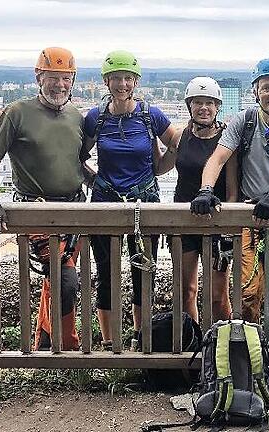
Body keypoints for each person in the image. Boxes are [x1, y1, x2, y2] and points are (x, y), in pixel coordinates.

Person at [190, 58, 269, 351]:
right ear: (256, 90)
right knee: (247, 290)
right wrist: (206, 189)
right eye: (266, 87)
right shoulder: (243, 122)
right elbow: (218, 157)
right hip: (251, 214)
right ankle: (250, 348)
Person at [0, 46, 87, 350]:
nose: (60, 85)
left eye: (66, 78)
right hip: (35, 210)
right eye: (53, 78)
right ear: (39, 76)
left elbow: (74, 160)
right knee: (65, 281)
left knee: (57, 279)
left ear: (73, 80)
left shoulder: (76, 117)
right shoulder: (17, 113)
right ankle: (65, 347)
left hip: (73, 210)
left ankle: (45, 341)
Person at [83, 50, 177, 350]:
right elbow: (79, 156)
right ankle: (111, 342)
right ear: (106, 82)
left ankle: (140, 336)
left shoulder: (150, 115)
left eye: (127, 78)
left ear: (135, 82)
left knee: (143, 273)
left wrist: (157, 170)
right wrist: (94, 181)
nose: (122, 84)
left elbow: (177, 145)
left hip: (143, 201)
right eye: (116, 79)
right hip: (106, 202)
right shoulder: (96, 118)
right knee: (106, 273)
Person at [155, 76, 234, 323]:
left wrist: (229, 228)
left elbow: (232, 189)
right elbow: (160, 168)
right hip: (184, 221)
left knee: (218, 295)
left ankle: (223, 343)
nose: (204, 108)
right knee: (185, 290)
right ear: (189, 105)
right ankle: (193, 342)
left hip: (217, 224)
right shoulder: (180, 137)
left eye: (209, 103)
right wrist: (149, 137)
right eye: (198, 102)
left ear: (218, 106)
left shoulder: (227, 139)